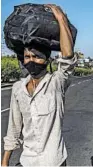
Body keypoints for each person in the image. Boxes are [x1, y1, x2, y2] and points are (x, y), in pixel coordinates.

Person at [2, 4, 77, 166]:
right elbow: (13, 129)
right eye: (27, 57)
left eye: (36, 56)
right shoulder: (18, 89)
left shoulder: (57, 82)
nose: (31, 60)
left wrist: (60, 19)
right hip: (27, 161)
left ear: (47, 60)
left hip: (54, 161)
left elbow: (68, 57)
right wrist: (5, 161)